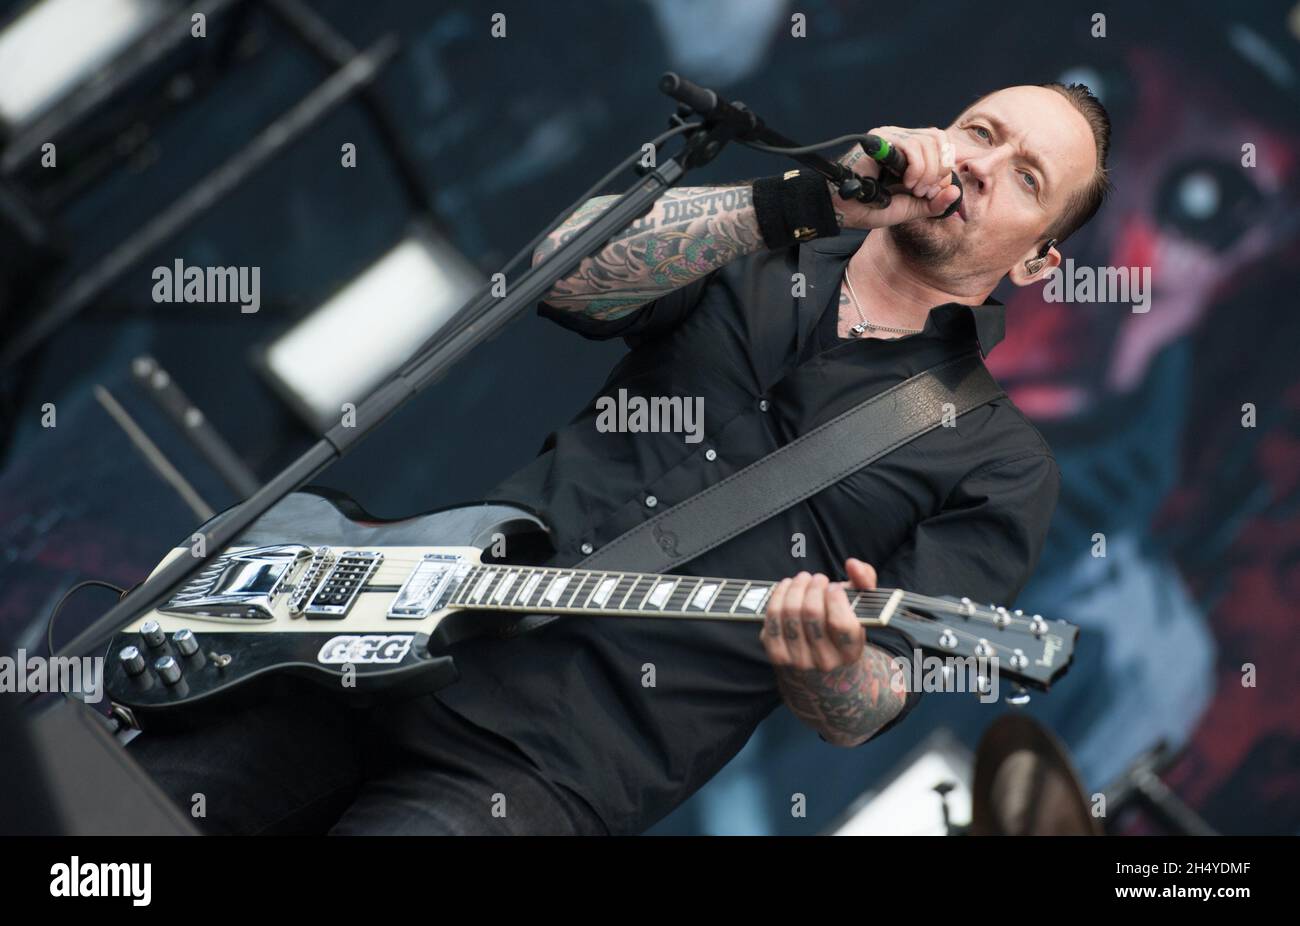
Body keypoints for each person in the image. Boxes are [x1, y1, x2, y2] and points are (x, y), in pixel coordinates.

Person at [129, 82, 1110, 836]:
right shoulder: (762, 244)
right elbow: (563, 278)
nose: (985, 163)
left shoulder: (998, 464)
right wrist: (807, 201)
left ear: (1037, 262)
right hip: (383, 637)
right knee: (105, 835)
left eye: (1027, 176)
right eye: (982, 132)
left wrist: (838, 662)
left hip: (546, 769)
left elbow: (866, 706)